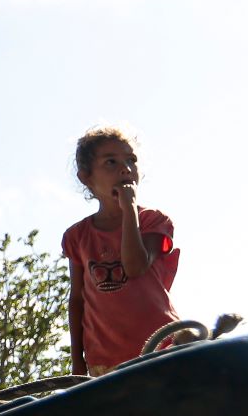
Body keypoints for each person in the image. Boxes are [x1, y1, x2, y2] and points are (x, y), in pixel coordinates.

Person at [62, 128, 182, 376]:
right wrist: (78, 362)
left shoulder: (153, 221)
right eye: (111, 162)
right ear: (86, 176)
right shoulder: (77, 237)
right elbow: (77, 300)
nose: (125, 168)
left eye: (131, 160)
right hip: (105, 360)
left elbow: (135, 266)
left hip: (162, 347)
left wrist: (129, 210)